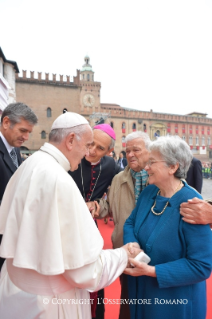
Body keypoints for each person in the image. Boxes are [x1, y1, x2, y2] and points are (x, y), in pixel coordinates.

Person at [0, 112, 138, 319]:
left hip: (17, 289)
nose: (87, 153)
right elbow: (86, 272)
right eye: (87, 144)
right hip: (49, 301)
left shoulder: (31, 163)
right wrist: (122, 255)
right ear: (71, 140)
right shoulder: (59, 180)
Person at [123, 136, 212, 319]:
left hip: (174, 303)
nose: (146, 167)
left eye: (152, 162)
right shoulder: (149, 192)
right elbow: (130, 223)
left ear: (173, 167)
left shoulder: (192, 204)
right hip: (142, 293)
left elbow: (201, 266)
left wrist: (152, 271)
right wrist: (133, 244)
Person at [69, 123, 122, 319]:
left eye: (100, 148)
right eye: (90, 144)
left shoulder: (111, 166)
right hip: (65, 224)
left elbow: (117, 192)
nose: (91, 151)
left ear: (109, 151)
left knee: (94, 275)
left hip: (90, 228)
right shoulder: (71, 158)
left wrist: (101, 203)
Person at [95, 131, 150, 319]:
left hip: (153, 253)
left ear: (149, 152)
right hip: (125, 250)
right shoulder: (119, 179)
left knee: (152, 302)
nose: (131, 154)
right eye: (127, 151)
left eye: (136, 150)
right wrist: (93, 207)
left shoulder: (158, 179)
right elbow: (109, 206)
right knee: (127, 300)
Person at [0, 102, 38, 270]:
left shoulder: (14, 149)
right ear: (6, 122)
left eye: (29, 132)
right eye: (23, 131)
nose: (26, 138)